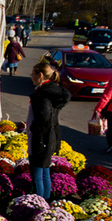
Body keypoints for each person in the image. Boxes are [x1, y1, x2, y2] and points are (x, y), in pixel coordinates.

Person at [26, 60, 71, 200]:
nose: (31, 76)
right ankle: (46, 200)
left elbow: (44, 117)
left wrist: (33, 128)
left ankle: (40, 202)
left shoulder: (43, 95)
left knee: (37, 173)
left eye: (32, 74)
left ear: (40, 75)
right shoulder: (51, 91)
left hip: (41, 138)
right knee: (44, 170)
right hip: (49, 136)